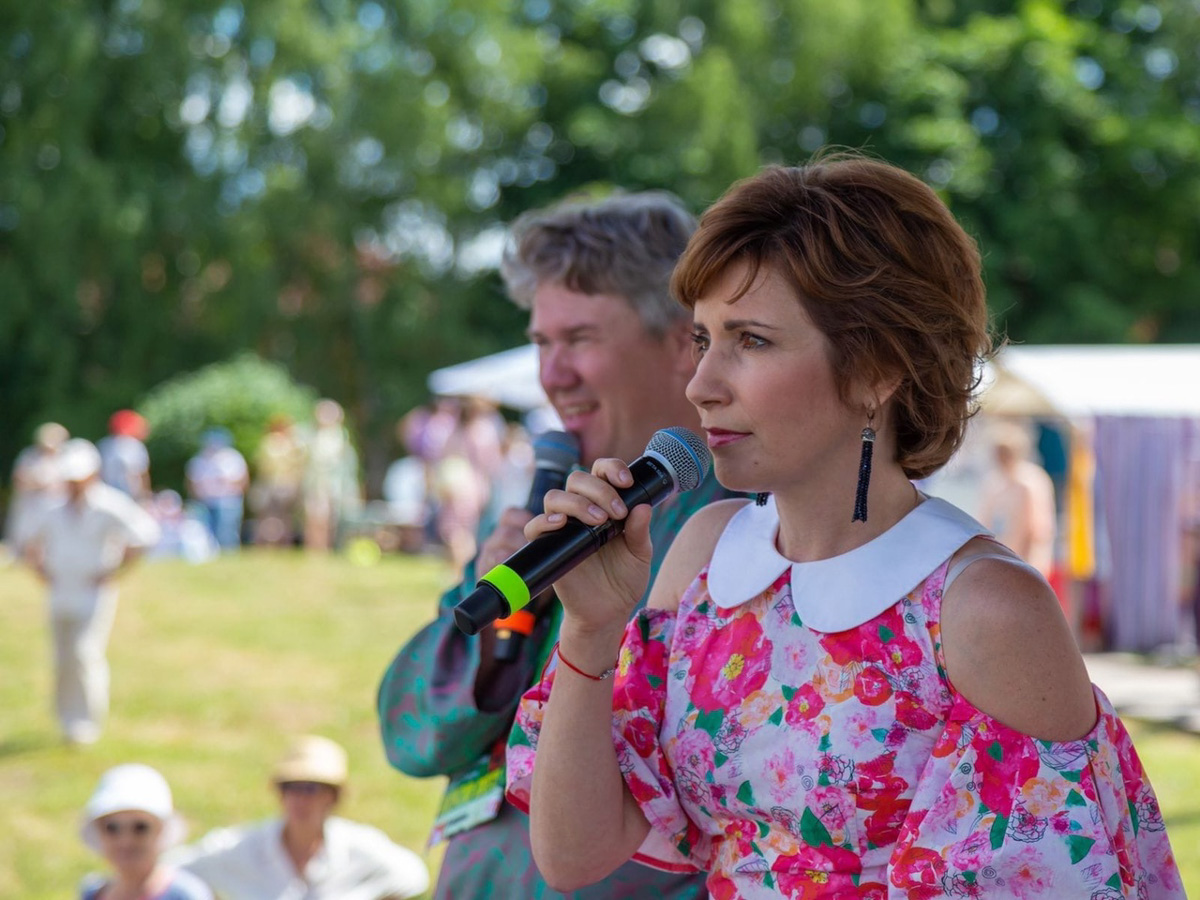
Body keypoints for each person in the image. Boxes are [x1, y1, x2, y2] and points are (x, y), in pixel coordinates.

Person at [506, 155, 1184, 897]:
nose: (702, 385)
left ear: (876, 370)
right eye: (703, 339)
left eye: (752, 341)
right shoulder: (706, 553)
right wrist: (589, 633)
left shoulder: (983, 609)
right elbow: (574, 855)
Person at [377, 191, 743, 899]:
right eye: (541, 343)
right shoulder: (535, 514)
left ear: (680, 341)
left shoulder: (745, 525)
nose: (552, 375)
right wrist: (492, 625)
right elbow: (411, 733)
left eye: (579, 339)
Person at [21, 438, 161, 745]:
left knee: (85, 654)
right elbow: (29, 539)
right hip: (60, 592)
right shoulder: (53, 506)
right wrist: (40, 570)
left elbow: (145, 535)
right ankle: (64, 718)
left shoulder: (109, 503)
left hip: (91, 593)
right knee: (62, 658)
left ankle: (86, 723)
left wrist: (114, 571)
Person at [171, 735, 430, 900]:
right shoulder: (244, 847)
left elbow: (414, 877)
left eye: (310, 788)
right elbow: (175, 869)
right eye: (290, 787)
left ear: (332, 796)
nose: (299, 799)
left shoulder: (358, 847)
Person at [78, 763, 213, 900]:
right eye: (112, 828)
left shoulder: (186, 894)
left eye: (140, 827)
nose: (126, 840)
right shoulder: (93, 892)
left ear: (160, 829)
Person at [978, 420, 1058, 579]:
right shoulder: (994, 482)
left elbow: (1039, 528)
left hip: (1026, 558)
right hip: (1002, 555)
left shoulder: (1030, 481)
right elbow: (984, 520)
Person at [302, 399, 360, 551]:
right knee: (313, 515)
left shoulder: (340, 436)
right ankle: (313, 547)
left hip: (332, 483)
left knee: (327, 517)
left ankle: (325, 547)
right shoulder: (311, 434)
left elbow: (344, 465)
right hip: (314, 482)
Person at [3, 421, 69, 556]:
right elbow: (19, 478)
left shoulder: (66, 458)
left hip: (56, 505)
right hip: (31, 504)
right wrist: (37, 484)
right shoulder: (29, 456)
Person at [185, 428, 250, 551]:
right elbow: (191, 482)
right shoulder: (199, 459)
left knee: (227, 531)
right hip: (205, 501)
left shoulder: (233, 457)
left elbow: (243, 479)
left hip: (228, 501)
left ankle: (228, 553)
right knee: (207, 532)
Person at [98, 409, 152, 502]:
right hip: (130, 495)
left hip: (107, 494)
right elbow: (142, 474)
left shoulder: (104, 444)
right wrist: (145, 498)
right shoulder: (135, 445)